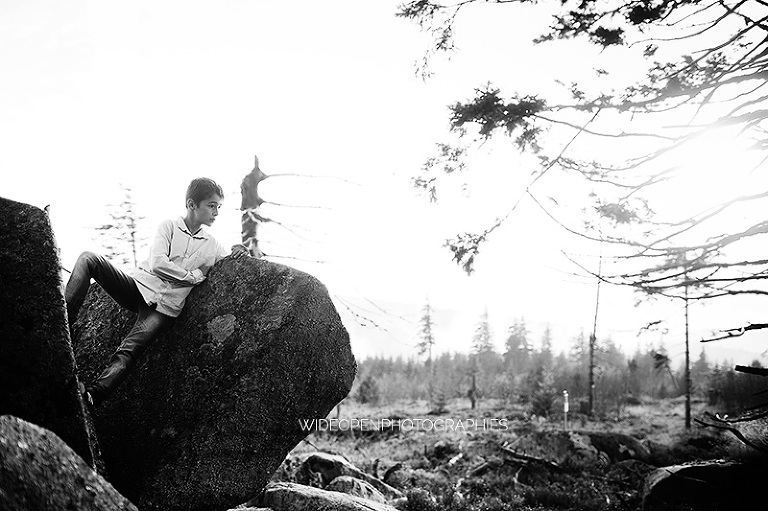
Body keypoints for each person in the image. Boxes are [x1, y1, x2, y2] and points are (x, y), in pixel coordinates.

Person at [65, 177, 252, 406]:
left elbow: (231, 262)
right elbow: (157, 264)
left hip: (164, 309)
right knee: (88, 259)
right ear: (192, 204)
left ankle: (92, 396)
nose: (216, 212)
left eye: (218, 207)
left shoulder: (212, 245)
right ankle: (63, 323)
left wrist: (240, 249)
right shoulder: (169, 226)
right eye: (211, 206)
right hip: (137, 287)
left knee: (129, 351)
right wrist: (193, 276)